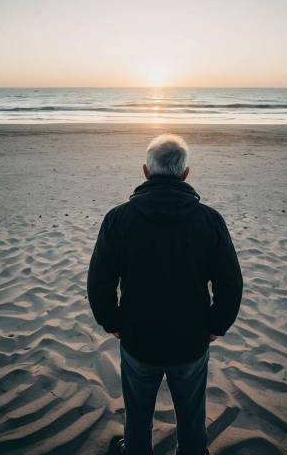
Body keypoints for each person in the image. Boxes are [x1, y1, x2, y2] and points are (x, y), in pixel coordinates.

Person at [87, 133, 243, 455]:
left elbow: (100, 281)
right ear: (186, 174)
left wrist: (111, 321)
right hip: (190, 338)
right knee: (191, 412)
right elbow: (230, 283)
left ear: (146, 171)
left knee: (138, 410)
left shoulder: (118, 219)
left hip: (138, 337)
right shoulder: (210, 220)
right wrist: (216, 325)